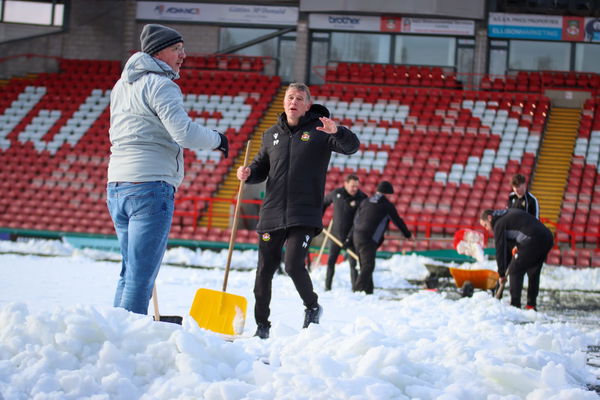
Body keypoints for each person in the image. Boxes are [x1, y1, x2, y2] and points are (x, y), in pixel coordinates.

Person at [106, 24, 228, 315]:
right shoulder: (161, 85)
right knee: (141, 277)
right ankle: (129, 341)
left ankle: (115, 332)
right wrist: (218, 139)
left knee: (129, 271)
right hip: (150, 186)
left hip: (117, 185)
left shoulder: (121, 85)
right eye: (177, 49)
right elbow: (184, 133)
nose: (183, 55)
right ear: (157, 51)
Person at [236, 82, 360, 339]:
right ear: (284, 102)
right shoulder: (271, 134)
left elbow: (352, 147)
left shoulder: (320, 130)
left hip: (303, 212)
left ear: (307, 105)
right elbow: (261, 168)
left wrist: (337, 131)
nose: (294, 102)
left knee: (293, 265)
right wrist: (247, 174)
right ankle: (262, 326)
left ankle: (312, 306)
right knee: (264, 271)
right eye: (290, 97)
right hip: (271, 213)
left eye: (299, 99)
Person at [479, 208, 553, 310]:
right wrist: (504, 269)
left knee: (515, 271)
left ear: (490, 218)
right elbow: (508, 247)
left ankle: (515, 306)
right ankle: (531, 305)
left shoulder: (499, 224)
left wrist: (501, 274)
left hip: (533, 239)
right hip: (547, 237)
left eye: (485, 225)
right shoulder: (507, 214)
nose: (487, 229)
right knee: (533, 271)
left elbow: (500, 250)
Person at [350, 181, 412, 294]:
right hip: (369, 239)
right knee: (368, 266)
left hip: (357, 236)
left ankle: (369, 292)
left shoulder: (366, 201)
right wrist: (407, 235)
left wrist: (352, 235)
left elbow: (356, 219)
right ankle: (357, 291)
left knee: (365, 265)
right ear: (387, 194)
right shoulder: (387, 206)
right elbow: (397, 221)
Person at [322, 174, 367, 290]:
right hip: (335, 236)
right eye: (352, 186)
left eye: (356, 186)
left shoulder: (362, 198)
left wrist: (349, 238)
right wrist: (318, 219)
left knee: (353, 264)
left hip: (352, 238)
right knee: (331, 262)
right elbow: (323, 203)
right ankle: (327, 287)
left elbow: (360, 221)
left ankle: (355, 289)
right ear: (345, 184)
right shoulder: (337, 194)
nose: (355, 189)